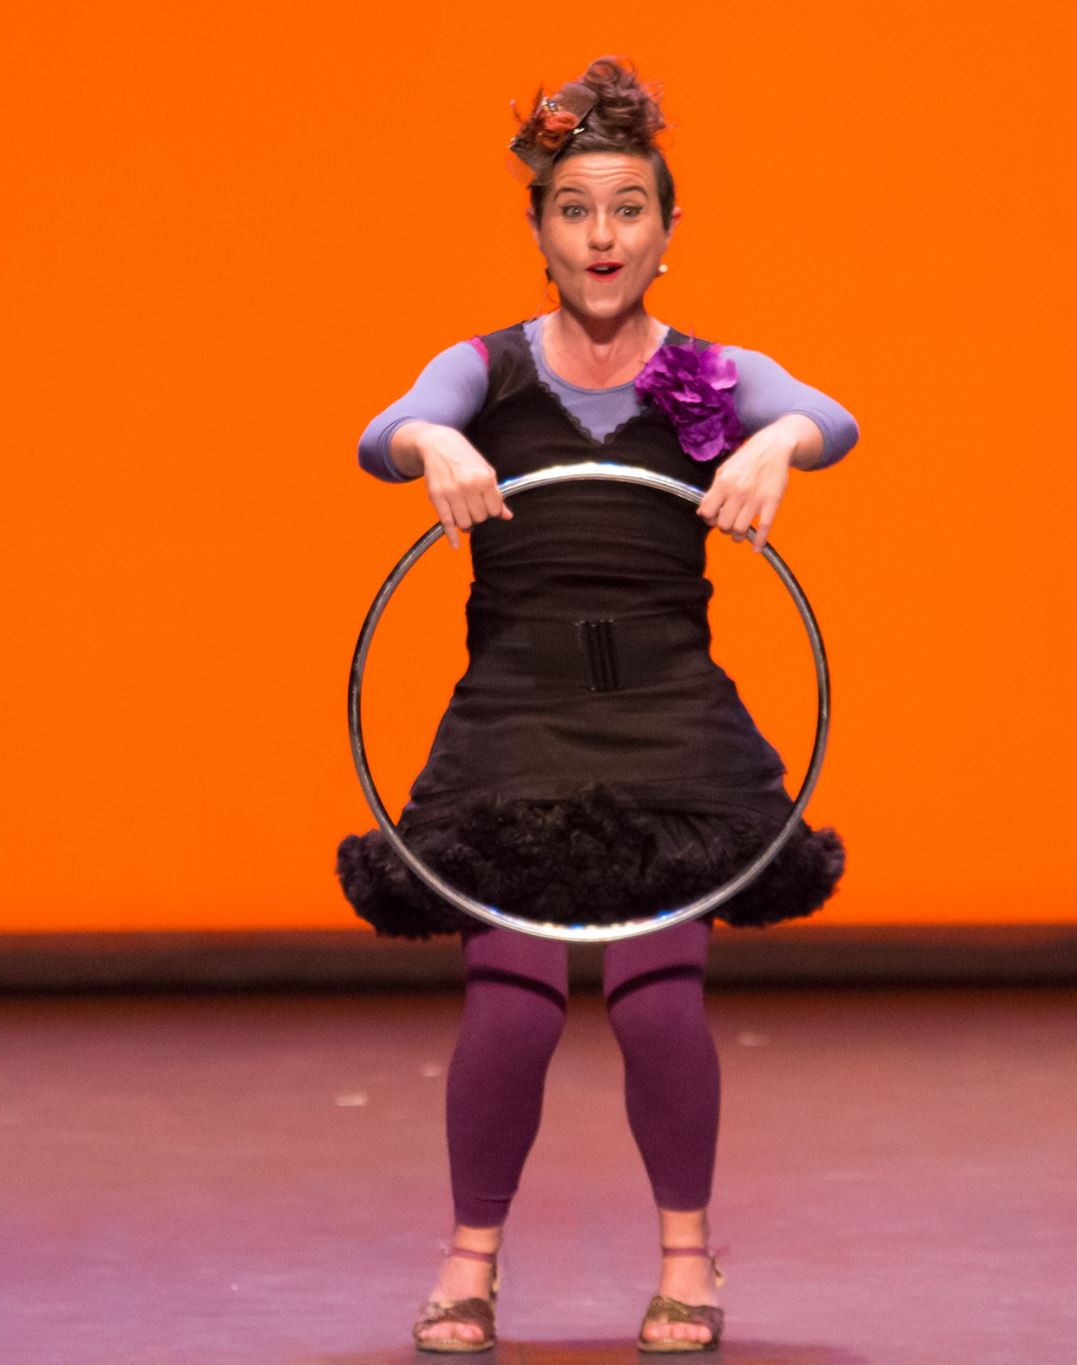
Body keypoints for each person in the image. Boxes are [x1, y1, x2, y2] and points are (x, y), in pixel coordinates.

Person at [333, 55, 858, 1353]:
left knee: (659, 997)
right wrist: (432, 443)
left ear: (668, 230)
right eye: (574, 210)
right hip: (519, 714)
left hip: (667, 719)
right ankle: (469, 1260)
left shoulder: (711, 373)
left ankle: (688, 1260)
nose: (602, 235)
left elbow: (832, 417)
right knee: (510, 1002)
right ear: (540, 229)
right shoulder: (486, 369)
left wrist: (776, 442)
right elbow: (387, 429)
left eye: (628, 209)